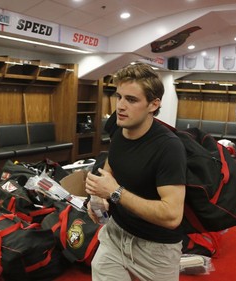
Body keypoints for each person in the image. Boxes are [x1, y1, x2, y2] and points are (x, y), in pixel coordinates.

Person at [85, 63, 187, 281]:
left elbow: (172, 216)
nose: (120, 106)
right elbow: (110, 168)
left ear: (154, 104)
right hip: (115, 234)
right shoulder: (119, 128)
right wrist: (98, 197)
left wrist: (115, 193)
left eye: (131, 100)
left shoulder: (169, 147)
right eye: (119, 96)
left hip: (156, 250)